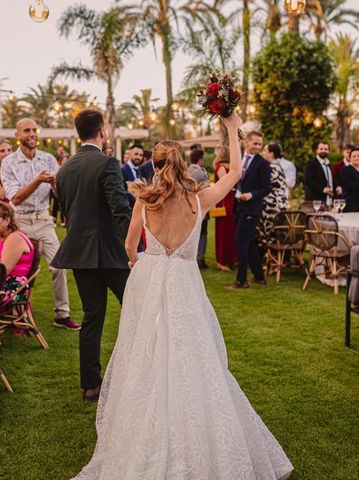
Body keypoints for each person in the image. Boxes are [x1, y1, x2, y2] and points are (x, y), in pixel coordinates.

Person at [71, 113, 293, 479]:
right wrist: (231, 128)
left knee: (146, 357)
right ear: (184, 164)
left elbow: (129, 245)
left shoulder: (145, 199)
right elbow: (235, 173)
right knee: (194, 356)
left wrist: (139, 262)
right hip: (185, 284)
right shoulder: (200, 199)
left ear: (155, 167)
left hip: (149, 279)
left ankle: (148, 427)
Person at [52, 109, 131, 401]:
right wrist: (132, 248)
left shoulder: (65, 170)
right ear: (102, 131)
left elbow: (70, 213)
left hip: (80, 255)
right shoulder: (107, 163)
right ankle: (137, 375)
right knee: (137, 310)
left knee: (92, 319)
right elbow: (120, 209)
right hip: (111, 254)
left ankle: (91, 385)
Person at [0, 118, 77, 330]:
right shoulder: (9, 163)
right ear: (17, 135)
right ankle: (16, 316)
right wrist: (37, 180)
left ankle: (62, 314)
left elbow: (61, 197)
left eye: (34, 130)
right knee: (17, 270)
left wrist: (55, 185)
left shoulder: (49, 159)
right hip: (20, 222)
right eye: (27, 130)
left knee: (59, 265)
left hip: (43, 220)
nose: (32, 133)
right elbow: (14, 198)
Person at [227, 131, 270, 289]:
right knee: (250, 242)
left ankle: (241, 281)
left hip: (252, 208)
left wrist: (251, 195)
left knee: (241, 243)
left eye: (260, 144)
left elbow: (266, 189)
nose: (258, 147)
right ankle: (259, 277)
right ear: (246, 143)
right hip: (237, 206)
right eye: (255, 143)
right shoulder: (238, 160)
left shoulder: (263, 164)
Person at [257, 142, 289, 250]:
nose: (263, 153)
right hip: (279, 202)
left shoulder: (273, 167)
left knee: (271, 233)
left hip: (273, 205)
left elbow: (265, 185)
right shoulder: (276, 165)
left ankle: (272, 259)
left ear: (271, 153)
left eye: (265, 150)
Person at [213, 145, 237, 271]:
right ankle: (223, 261)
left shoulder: (227, 167)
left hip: (229, 201)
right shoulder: (221, 167)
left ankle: (229, 259)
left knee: (229, 232)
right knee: (224, 233)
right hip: (224, 203)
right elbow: (225, 184)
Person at [187, 148, 211, 269]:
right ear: (200, 160)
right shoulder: (202, 173)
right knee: (202, 233)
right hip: (200, 207)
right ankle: (200, 259)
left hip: (186, 208)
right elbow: (208, 191)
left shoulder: (184, 172)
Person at [51, 146, 68, 224]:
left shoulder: (69, 168)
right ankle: (53, 219)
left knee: (64, 205)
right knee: (55, 205)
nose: (65, 161)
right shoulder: (57, 168)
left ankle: (63, 220)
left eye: (66, 160)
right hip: (57, 187)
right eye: (64, 160)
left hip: (66, 188)